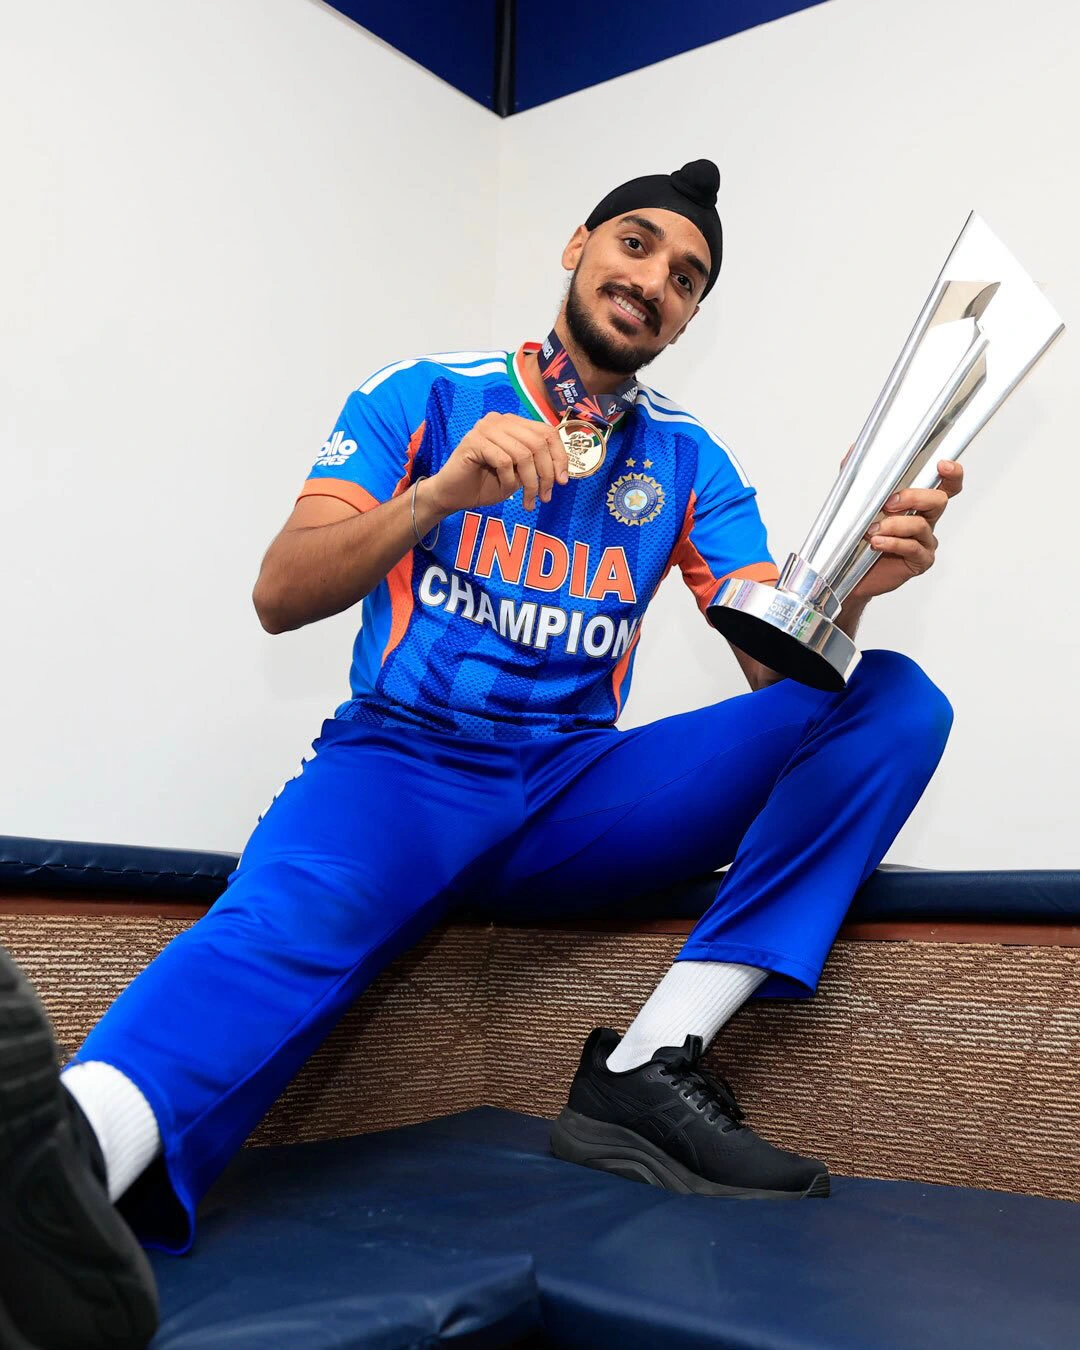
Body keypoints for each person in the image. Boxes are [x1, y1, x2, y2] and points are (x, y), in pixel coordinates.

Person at [0, 159, 961, 1349]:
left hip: (571, 792)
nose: (654, 280)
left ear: (693, 317)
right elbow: (278, 591)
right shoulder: (426, 393)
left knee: (894, 703)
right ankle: (58, 1161)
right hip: (397, 768)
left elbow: (783, 678)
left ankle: (649, 1064)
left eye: (687, 276)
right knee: (276, 935)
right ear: (579, 245)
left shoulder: (686, 461)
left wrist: (857, 584)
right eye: (638, 245)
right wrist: (439, 495)